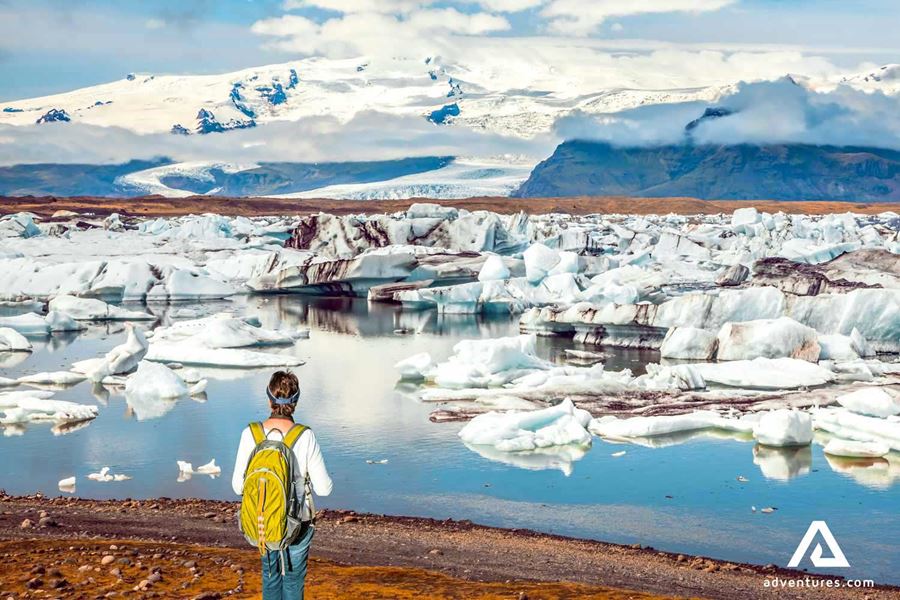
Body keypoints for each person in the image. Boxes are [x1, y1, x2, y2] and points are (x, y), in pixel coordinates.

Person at [232, 370, 333, 599]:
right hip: (298, 522)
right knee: (294, 579)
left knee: (270, 575)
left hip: (262, 519)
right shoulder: (305, 435)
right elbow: (324, 489)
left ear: (269, 399)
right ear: (296, 401)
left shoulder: (251, 433)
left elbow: (238, 487)